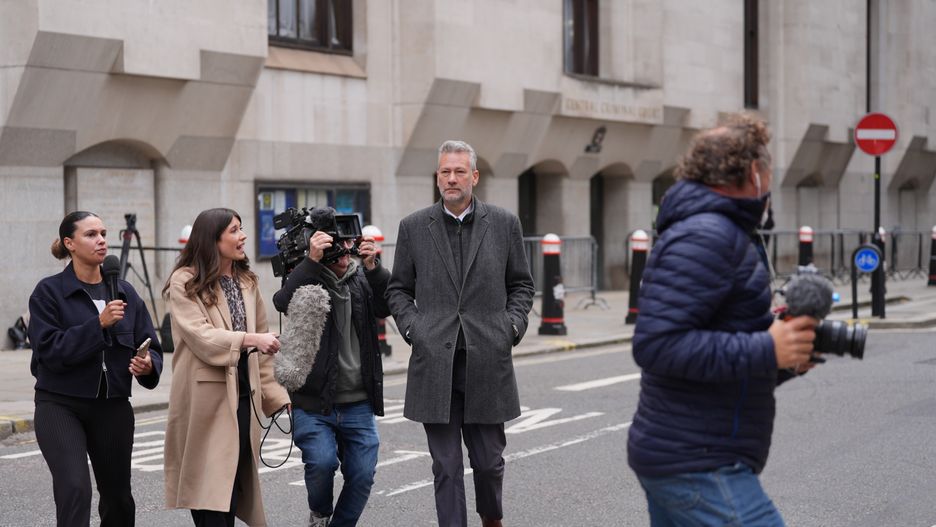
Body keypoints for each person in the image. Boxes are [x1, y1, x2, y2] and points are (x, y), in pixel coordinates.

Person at [627, 114, 819, 525]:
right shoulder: (706, 235)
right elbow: (657, 344)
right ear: (753, 173)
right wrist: (767, 347)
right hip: (698, 461)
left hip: (691, 455)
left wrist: (784, 358)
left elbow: (718, 342)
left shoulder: (718, 231)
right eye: (768, 172)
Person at [387, 140, 535, 527]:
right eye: (445, 172)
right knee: (446, 466)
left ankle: (491, 518)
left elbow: (522, 285)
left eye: (459, 171)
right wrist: (413, 328)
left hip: (487, 359)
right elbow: (398, 289)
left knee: (488, 463)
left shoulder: (504, 224)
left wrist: (511, 327)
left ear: (474, 176)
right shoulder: (414, 227)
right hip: (435, 362)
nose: (451, 179)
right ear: (437, 177)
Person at [28, 211, 163, 527]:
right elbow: (49, 351)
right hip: (60, 404)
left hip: (112, 406)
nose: (101, 240)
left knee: (118, 499)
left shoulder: (125, 292)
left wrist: (148, 365)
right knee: (75, 488)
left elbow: (151, 345)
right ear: (69, 243)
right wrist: (97, 325)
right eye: (91, 234)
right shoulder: (49, 292)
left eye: (103, 233)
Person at [162, 208, 290, 527]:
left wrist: (277, 398)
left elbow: (263, 352)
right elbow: (202, 337)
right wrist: (251, 339)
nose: (242, 236)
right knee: (210, 495)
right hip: (206, 404)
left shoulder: (246, 281)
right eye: (233, 230)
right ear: (212, 239)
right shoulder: (184, 281)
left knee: (230, 489)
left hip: (244, 400)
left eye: (241, 228)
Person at [272, 207, 390, 527]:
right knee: (322, 463)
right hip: (314, 401)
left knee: (362, 475)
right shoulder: (308, 278)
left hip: (359, 401)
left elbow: (387, 304)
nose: (345, 249)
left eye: (348, 242)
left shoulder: (360, 278)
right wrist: (311, 261)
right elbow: (282, 302)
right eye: (337, 244)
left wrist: (373, 266)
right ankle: (320, 513)